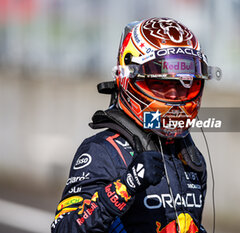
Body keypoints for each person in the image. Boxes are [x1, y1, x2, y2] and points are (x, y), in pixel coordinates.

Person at [51, 17, 221, 233]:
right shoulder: (102, 151)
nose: (175, 96)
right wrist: (126, 186)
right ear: (128, 79)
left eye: (184, 84)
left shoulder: (189, 154)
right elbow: (63, 229)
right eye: (161, 83)